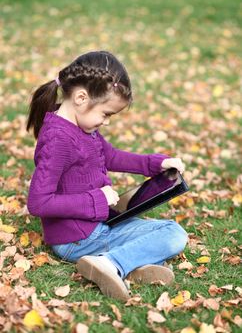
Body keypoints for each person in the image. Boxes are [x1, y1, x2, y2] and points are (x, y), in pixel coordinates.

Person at [26, 50, 188, 301]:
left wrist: (157, 163)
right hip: (77, 239)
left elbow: (110, 156)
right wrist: (97, 200)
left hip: (99, 228)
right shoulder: (59, 139)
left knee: (163, 231)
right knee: (173, 234)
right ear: (81, 97)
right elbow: (38, 202)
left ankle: (126, 265)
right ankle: (109, 264)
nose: (107, 122)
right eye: (106, 114)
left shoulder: (79, 126)